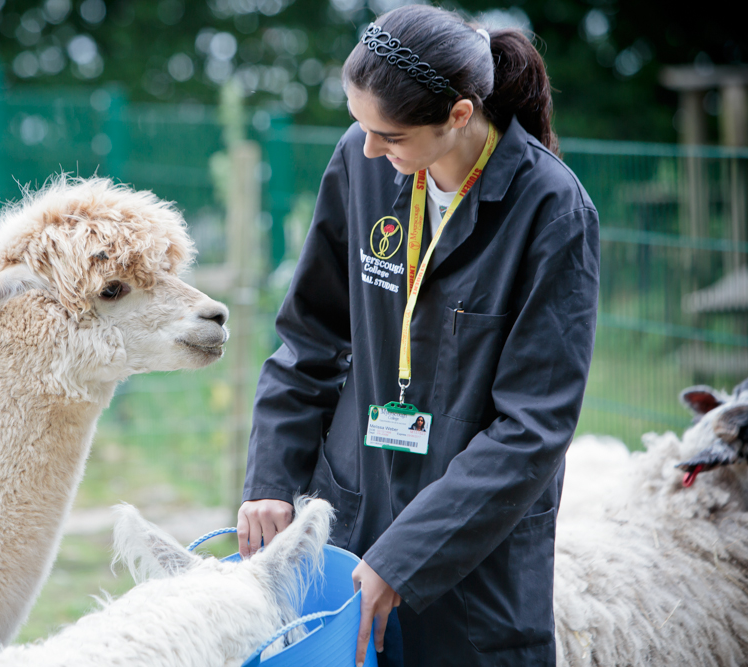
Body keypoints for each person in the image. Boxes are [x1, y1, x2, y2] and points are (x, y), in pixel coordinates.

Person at [236, 5, 599, 667]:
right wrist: (269, 477)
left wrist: (406, 557)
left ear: (459, 116)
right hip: (347, 521)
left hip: (471, 570)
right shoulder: (361, 159)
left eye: (390, 135)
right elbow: (308, 338)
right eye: (360, 124)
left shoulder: (553, 211)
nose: (369, 149)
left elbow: (532, 427)